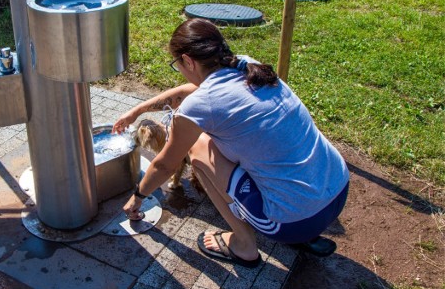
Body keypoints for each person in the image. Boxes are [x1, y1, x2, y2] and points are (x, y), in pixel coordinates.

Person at [113, 18, 349, 267]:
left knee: (199, 147)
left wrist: (138, 197)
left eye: (177, 64)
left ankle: (244, 245)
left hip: (294, 220)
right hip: (337, 189)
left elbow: (165, 166)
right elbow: (187, 90)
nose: (179, 70)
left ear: (189, 61)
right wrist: (137, 110)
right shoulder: (248, 66)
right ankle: (303, 228)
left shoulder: (203, 103)